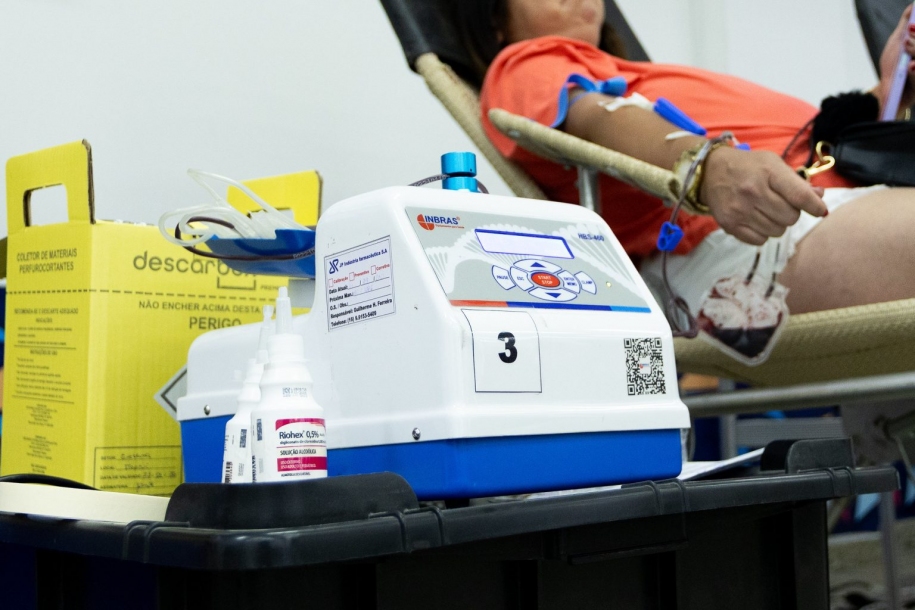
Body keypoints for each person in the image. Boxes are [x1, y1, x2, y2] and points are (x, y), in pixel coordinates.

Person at [458, 0, 915, 318]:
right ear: (495, 20)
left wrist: (890, 90)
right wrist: (706, 166)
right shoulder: (523, 64)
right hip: (739, 237)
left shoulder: (637, 76)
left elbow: (821, 151)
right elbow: (597, 117)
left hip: (826, 208)